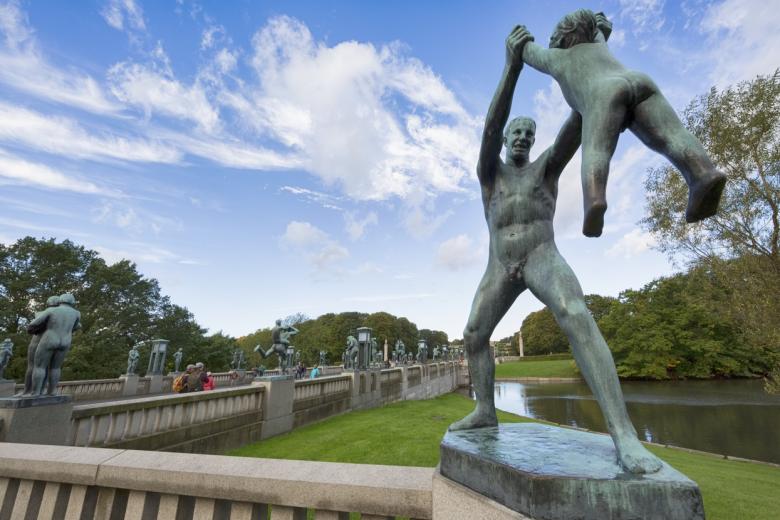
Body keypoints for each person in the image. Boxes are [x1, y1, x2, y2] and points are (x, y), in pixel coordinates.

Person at [449, 25, 663, 475]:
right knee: (473, 334)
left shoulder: (546, 168)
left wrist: (595, 50)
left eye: (529, 133)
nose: (522, 137)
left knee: (575, 313)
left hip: (542, 256)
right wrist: (511, 69)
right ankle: (485, 410)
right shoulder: (490, 174)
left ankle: (625, 435)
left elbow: (584, 113)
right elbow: (489, 127)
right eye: (516, 132)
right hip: (500, 264)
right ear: (507, 140)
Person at [520, 10, 725, 237]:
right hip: (640, 81)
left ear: (561, 39)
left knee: (597, 150)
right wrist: (599, 27)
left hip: (602, 92)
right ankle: (703, 173)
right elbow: (600, 31)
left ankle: (594, 200)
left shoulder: (556, 57)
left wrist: (521, 40)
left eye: (552, 39)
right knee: (672, 134)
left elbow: (528, 52)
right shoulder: (599, 45)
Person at [27, 293, 81, 396]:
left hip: (50, 339)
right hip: (65, 341)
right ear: (72, 302)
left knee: (39, 367)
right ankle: (52, 391)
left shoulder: (52, 310)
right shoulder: (77, 313)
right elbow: (77, 326)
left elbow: (34, 323)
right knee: (56, 368)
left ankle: (35, 392)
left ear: (60, 300)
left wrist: (32, 330)